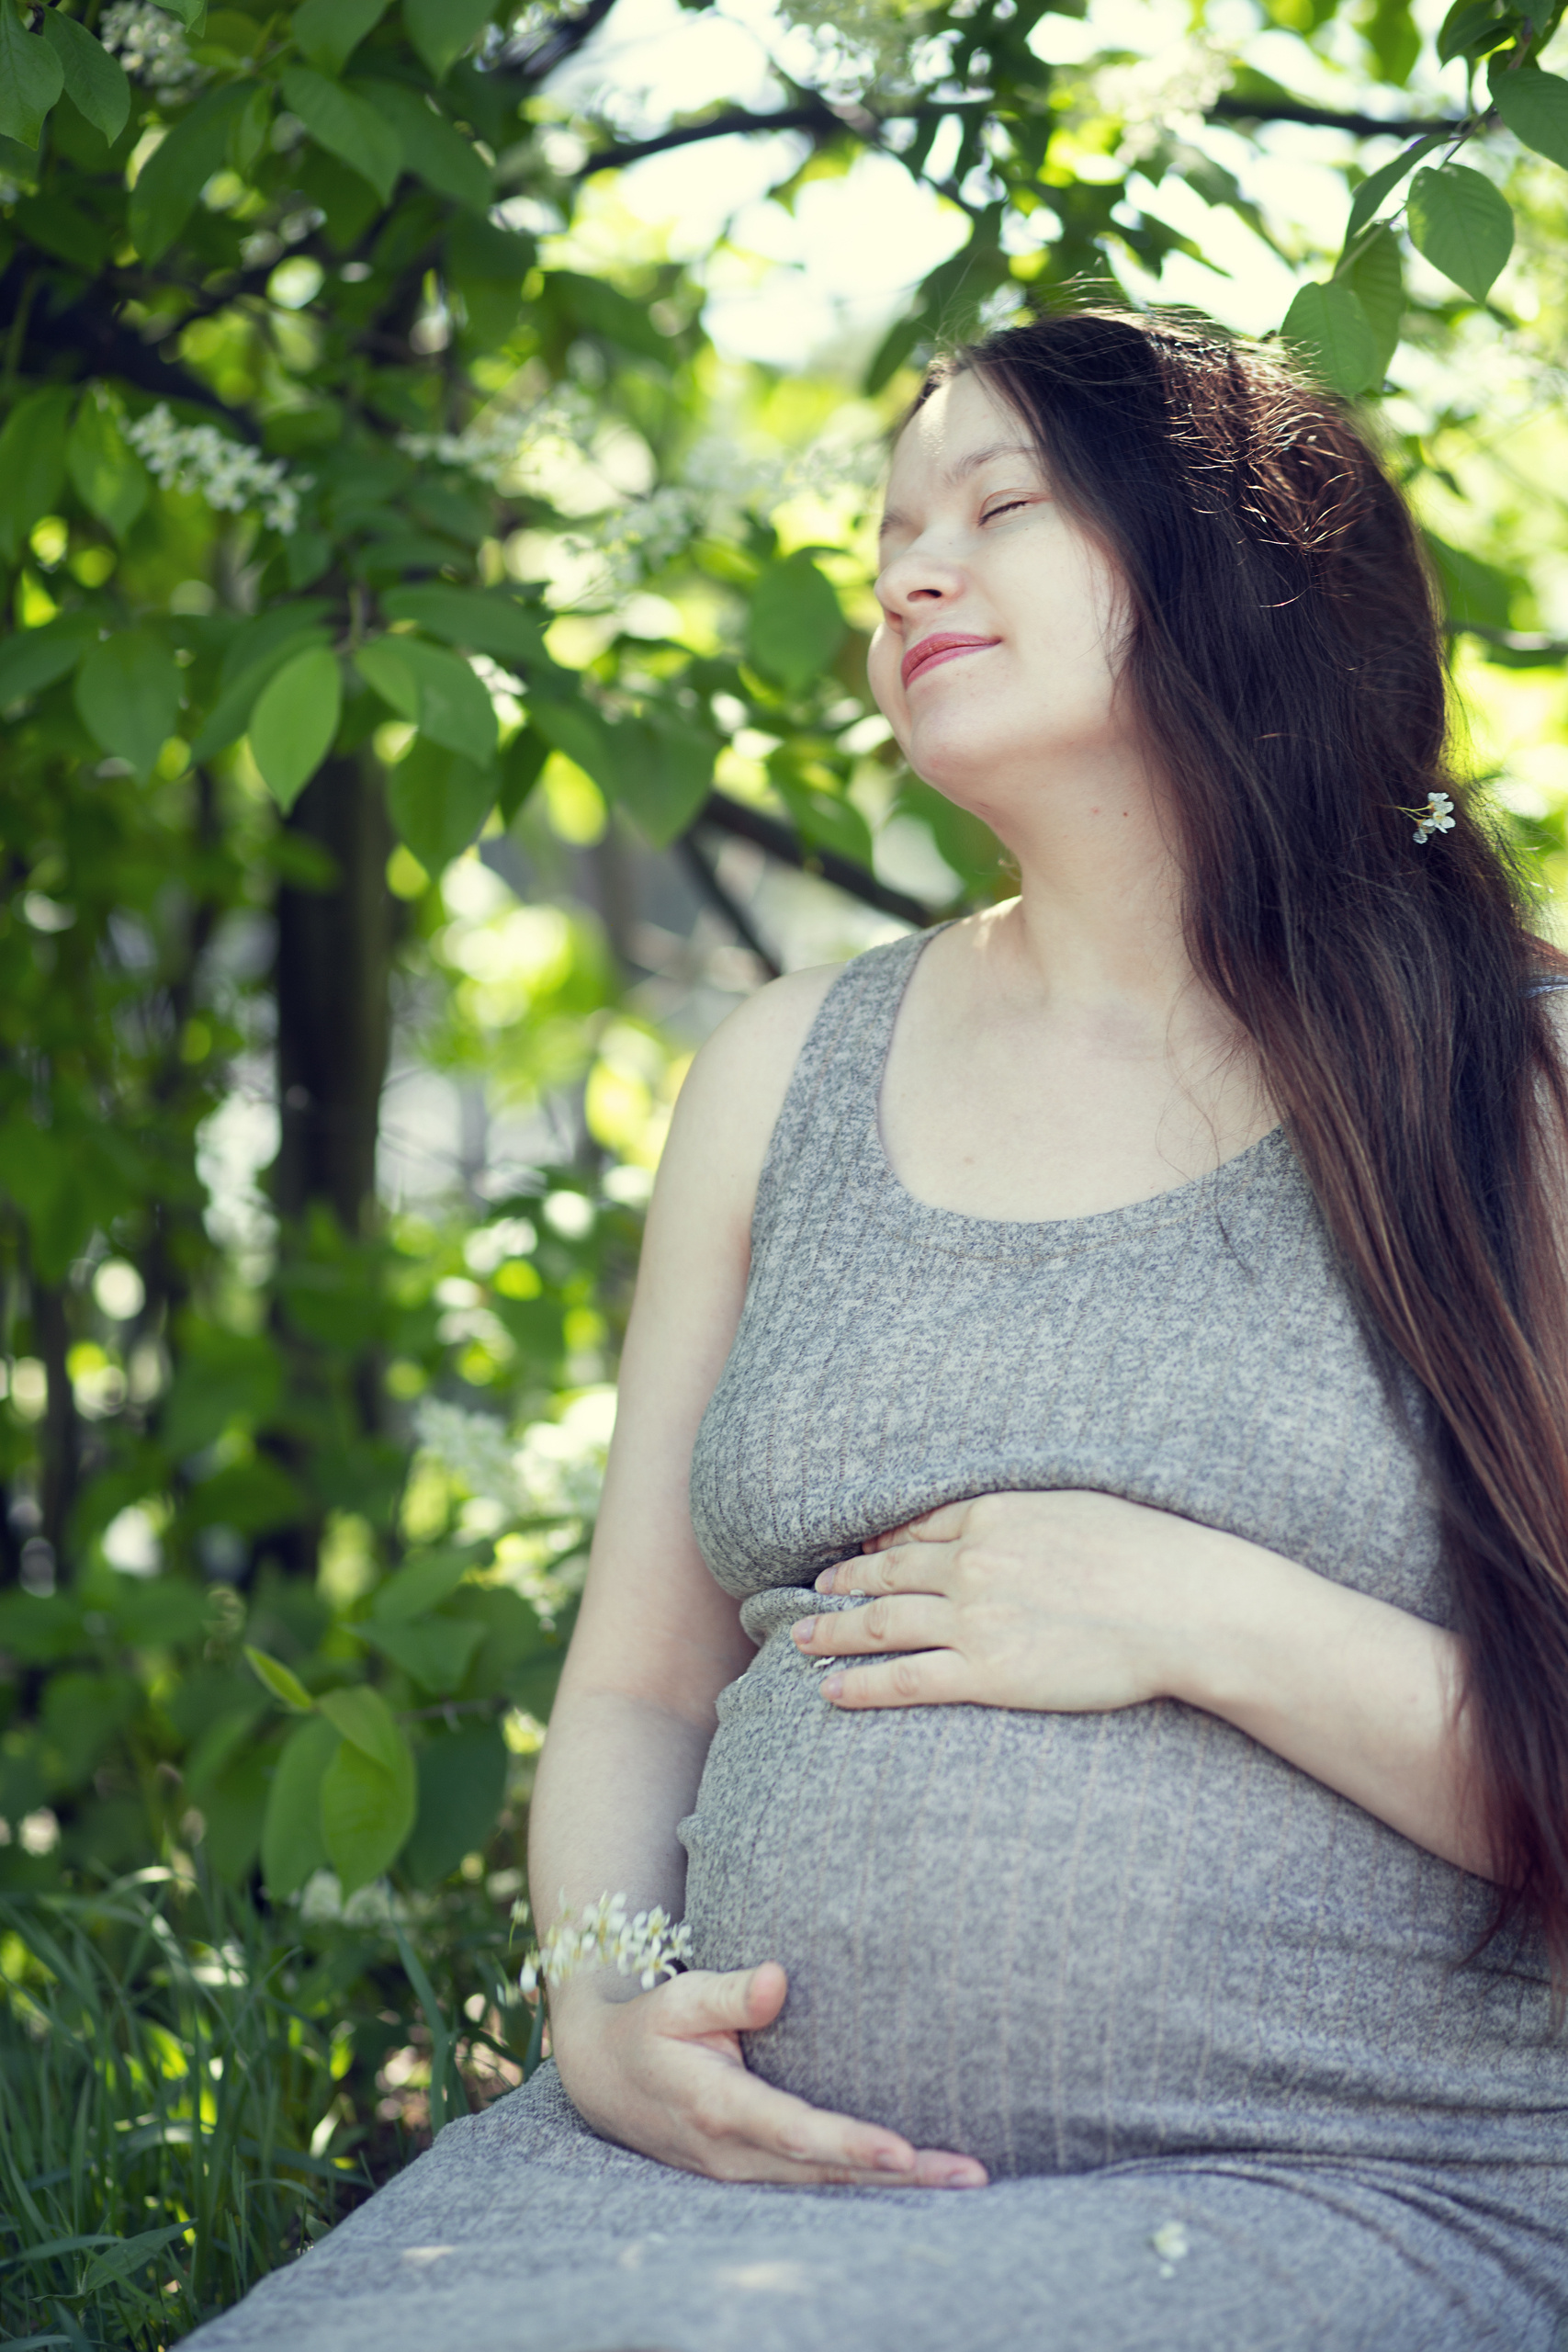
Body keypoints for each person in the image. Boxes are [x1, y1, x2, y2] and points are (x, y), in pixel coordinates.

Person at [187, 309, 1568, 2352]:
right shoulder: (777, 1072)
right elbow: (643, 1686)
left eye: (997, 507)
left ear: (1241, 555)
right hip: (699, 2183)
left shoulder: (1509, 1068)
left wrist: (1192, 1607)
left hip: (1342, 2186)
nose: (909, 572)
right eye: (885, 540)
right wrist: (600, 2000)